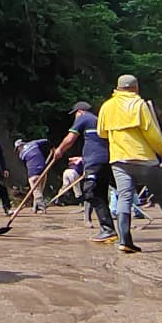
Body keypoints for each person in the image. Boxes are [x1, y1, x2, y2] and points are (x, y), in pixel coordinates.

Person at [97, 75, 162, 254]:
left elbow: (102, 133)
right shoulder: (139, 104)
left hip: (118, 160)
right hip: (143, 159)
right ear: (135, 88)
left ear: (118, 88)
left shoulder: (107, 106)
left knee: (124, 197)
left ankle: (125, 240)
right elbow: (152, 135)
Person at [55, 101, 116, 242]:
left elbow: (70, 138)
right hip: (106, 160)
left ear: (80, 111)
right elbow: (99, 144)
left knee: (91, 192)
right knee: (101, 193)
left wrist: (59, 150)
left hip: (95, 162)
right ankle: (109, 230)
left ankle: (108, 229)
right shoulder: (98, 121)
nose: (75, 117)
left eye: (75, 114)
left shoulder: (84, 117)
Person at [15, 137, 53, 212]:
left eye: (17, 149)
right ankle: (35, 208)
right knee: (39, 191)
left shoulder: (22, 155)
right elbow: (46, 140)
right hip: (43, 171)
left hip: (33, 173)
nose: (18, 151)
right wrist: (52, 148)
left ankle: (41, 208)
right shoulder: (34, 143)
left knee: (36, 191)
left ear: (19, 147)